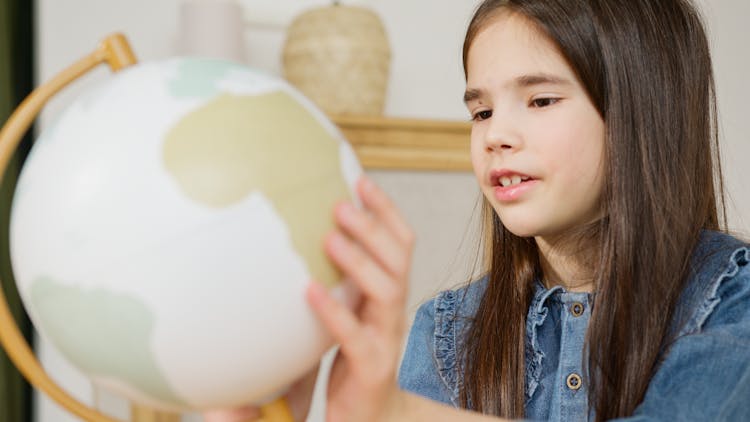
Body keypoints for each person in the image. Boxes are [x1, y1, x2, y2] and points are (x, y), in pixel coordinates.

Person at [205, 0, 750, 420]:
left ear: (644, 113)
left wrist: (393, 412)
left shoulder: (731, 303)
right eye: (481, 110)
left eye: (540, 100)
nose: (496, 135)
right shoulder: (446, 331)